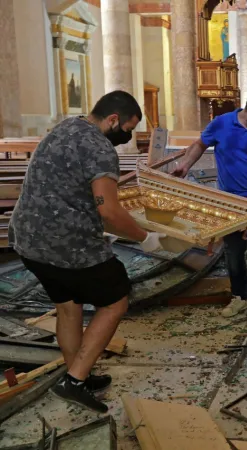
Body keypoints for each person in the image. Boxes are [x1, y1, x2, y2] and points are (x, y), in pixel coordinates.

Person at [9, 91, 165, 413]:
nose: (127, 137)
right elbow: (108, 211)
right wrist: (144, 237)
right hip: (67, 244)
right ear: (112, 120)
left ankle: (75, 373)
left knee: (68, 306)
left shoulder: (65, 128)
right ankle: (75, 381)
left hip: (28, 239)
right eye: (127, 128)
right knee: (116, 299)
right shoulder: (99, 147)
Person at [172, 90, 247, 317]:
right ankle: (239, 296)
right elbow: (200, 145)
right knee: (234, 249)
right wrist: (185, 165)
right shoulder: (221, 124)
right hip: (230, 198)